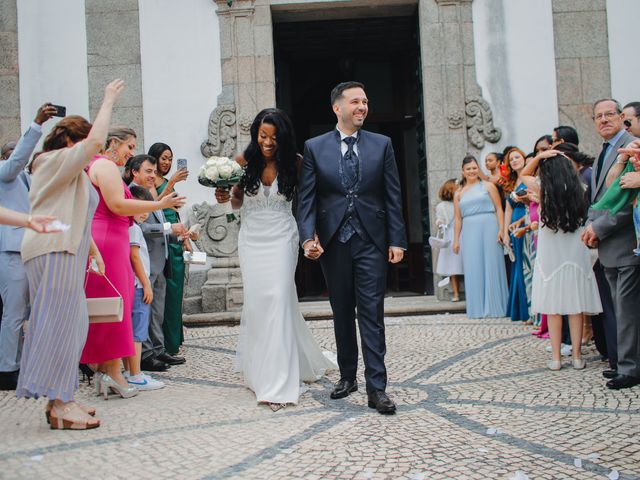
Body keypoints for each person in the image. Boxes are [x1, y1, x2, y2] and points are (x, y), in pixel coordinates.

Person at [16, 79, 124, 430]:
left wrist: (91, 250)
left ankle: (63, 397)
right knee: (61, 325)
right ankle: (60, 403)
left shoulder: (69, 172)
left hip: (67, 250)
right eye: (84, 144)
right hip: (53, 250)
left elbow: (76, 212)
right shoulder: (51, 161)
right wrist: (108, 99)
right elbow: (95, 142)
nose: (91, 154)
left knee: (72, 325)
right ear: (69, 142)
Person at [297, 82, 407, 414]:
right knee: (342, 311)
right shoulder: (315, 147)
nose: (362, 107)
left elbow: (393, 194)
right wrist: (307, 238)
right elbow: (307, 201)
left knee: (371, 314)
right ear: (337, 108)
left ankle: (377, 388)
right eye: (355, 101)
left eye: (365, 102)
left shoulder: (382, 144)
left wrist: (397, 239)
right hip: (333, 242)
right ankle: (348, 377)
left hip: (372, 241)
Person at [215, 108, 336, 410]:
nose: (268, 142)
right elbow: (238, 200)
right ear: (255, 135)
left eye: (273, 137)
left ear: (284, 137)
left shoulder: (296, 164)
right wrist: (225, 195)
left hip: (283, 235)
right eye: (262, 136)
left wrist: (314, 237)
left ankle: (280, 380)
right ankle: (261, 373)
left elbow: (310, 204)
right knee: (259, 302)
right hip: (252, 237)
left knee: (280, 297)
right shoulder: (243, 162)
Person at [80, 134, 184, 398]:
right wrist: (160, 203)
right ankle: (116, 373)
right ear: (113, 142)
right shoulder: (103, 166)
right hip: (110, 242)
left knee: (119, 310)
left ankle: (110, 372)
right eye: (129, 147)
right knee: (117, 310)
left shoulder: (101, 167)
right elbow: (117, 205)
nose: (131, 153)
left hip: (112, 241)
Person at [522, 150, 602, 370]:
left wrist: (539, 157)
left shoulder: (543, 188)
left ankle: (556, 358)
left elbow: (523, 175)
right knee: (575, 306)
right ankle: (577, 356)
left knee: (553, 307)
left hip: (551, 253)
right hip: (575, 252)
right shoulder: (579, 189)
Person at [582, 98, 640, 389]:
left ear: (621, 118)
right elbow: (599, 198)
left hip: (626, 239)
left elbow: (628, 201)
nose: (604, 120)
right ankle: (622, 362)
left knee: (627, 308)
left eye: (609, 115)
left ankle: (629, 368)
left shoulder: (632, 147)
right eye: (598, 116)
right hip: (609, 245)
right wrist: (590, 225)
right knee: (618, 307)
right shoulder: (605, 151)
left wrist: (598, 227)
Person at [0, 103, 56, 390]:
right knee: (13, 313)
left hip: (32, 250)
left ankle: (24, 362)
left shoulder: (28, 180)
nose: (18, 161)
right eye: (12, 157)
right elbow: (19, 158)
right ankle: (7, 368)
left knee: (31, 313)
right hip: (10, 252)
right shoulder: (3, 173)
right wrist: (37, 124)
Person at [127, 154, 187, 371]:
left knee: (157, 310)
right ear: (135, 172)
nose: (153, 176)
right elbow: (140, 228)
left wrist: (179, 235)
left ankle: (159, 349)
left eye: (154, 172)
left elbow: (161, 226)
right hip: (145, 262)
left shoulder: (152, 195)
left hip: (161, 262)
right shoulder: (131, 195)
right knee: (144, 310)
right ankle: (145, 354)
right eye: (148, 171)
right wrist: (168, 228)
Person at [453, 155, 508, 318]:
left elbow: (499, 208)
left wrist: (501, 229)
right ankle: (477, 308)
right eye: (468, 169)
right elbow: (457, 218)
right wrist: (456, 239)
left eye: (474, 168)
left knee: (492, 263)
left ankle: (496, 306)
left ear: (479, 169)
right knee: (473, 265)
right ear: (463, 171)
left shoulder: (488, 186)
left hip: (490, 225)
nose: (472, 171)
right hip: (469, 230)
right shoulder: (458, 193)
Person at [148, 142, 190, 356]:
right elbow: (153, 205)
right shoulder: (151, 181)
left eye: (170, 158)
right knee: (164, 297)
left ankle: (174, 341)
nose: (167, 162)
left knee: (175, 296)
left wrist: (186, 237)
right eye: (164, 158)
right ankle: (163, 344)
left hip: (175, 240)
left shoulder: (165, 181)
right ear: (154, 158)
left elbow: (172, 210)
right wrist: (172, 181)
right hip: (160, 240)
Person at [125, 185, 165, 391]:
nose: (146, 213)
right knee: (138, 332)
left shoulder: (131, 226)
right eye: (143, 207)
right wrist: (147, 284)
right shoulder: (133, 228)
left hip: (134, 284)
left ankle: (128, 370)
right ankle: (135, 374)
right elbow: (135, 257)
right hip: (139, 286)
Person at [502, 147, 530, 321]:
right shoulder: (511, 182)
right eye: (511, 159)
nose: (514, 161)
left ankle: (529, 310)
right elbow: (507, 209)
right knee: (518, 263)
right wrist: (505, 232)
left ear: (524, 158)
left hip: (526, 221)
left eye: (517, 157)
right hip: (513, 223)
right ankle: (521, 308)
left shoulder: (530, 177)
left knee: (526, 264)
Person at [434, 179, 463, 301]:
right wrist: (440, 223)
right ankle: (456, 293)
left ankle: (458, 294)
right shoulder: (442, 206)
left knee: (461, 263)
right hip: (451, 234)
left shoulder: (462, 202)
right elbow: (439, 219)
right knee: (453, 266)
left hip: (462, 232)